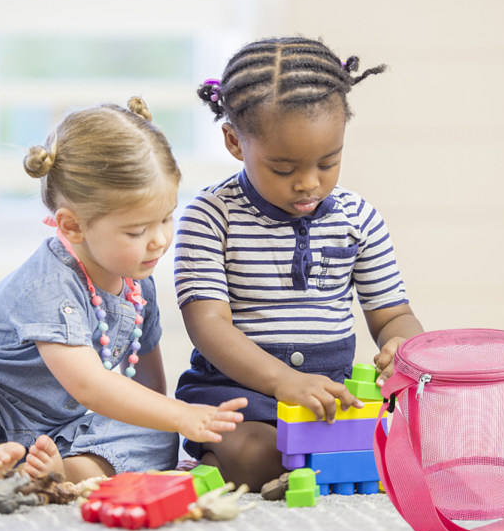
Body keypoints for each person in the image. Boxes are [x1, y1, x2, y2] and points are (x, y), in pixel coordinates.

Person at [174, 37, 423, 491]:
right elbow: (207, 326)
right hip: (238, 393)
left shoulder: (359, 218)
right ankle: (224, 461)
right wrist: (282, 381)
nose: (309, 184)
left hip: (332, 396)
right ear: (234, 141)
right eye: (284, 169)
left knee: (404, 448)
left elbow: (393, 315)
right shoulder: (210, 216)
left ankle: (310, 465)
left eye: (328, 162)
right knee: (256, 455)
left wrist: (402, 348)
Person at [0, 97, 246, 482]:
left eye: (166, 218)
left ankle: (65, 470)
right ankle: (3, 459)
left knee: (158, 432)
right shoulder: (49, 284)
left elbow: (148, 383)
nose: (159, 240)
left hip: (65, 429)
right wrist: (183, 415)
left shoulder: (136, 277)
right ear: (73, 226)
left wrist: (169, 417)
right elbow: (90, 386)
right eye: (137, 231)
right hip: (2, 415)